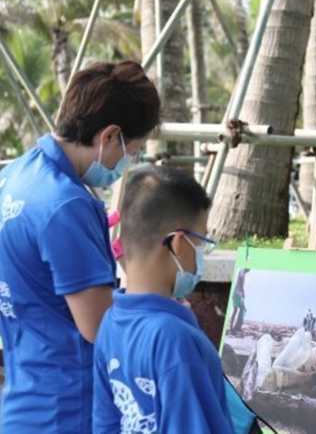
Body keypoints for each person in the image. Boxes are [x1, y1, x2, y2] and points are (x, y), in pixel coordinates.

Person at [0, 61, 159, 433]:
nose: (127, 163)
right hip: (69, 408)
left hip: (24, 400)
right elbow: (99, 326)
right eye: (133, 151)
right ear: (110, 136)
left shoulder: (13, 178)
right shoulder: (67, 205)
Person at [92, 166, 234, 434]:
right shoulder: (174, 338)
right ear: (178, 244)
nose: (201, 254)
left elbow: (105, 424)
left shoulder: (110, 322)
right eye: (201, 242)